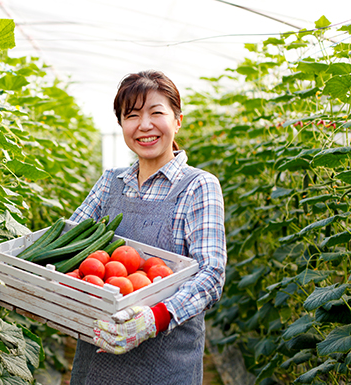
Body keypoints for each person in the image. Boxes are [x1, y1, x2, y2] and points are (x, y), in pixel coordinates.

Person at [68, 70, 227, 385]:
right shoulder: (110, 183)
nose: (144, 125)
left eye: (157, 112)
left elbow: (211, 276)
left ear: (177, 120)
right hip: (98, 355)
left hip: (164, 364)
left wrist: (155, 318)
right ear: (122, 125)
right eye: (132, 115)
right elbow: (70, 240)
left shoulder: (198, 186)